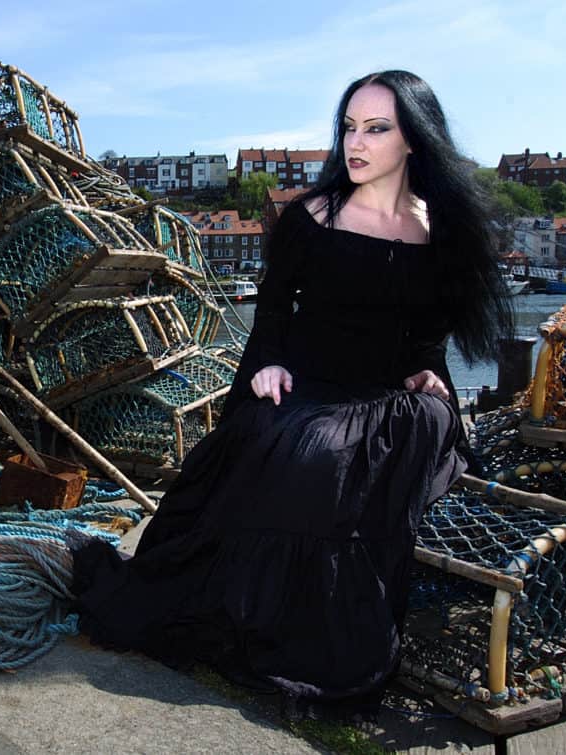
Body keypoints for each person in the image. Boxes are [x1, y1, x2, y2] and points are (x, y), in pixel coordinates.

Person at [68, 70, 513, 710]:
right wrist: (267, 364)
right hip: (305, 380)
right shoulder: (313, 215)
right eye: (350, 127)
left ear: (413, 140)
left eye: (377, 129)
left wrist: (427, 371)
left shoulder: (441, 230)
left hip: (387, 394)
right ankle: (265, 624)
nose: (356, 143)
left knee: (370, 440)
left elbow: (430, 333)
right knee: (305, 449)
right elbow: (273, 309)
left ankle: (323, 624)